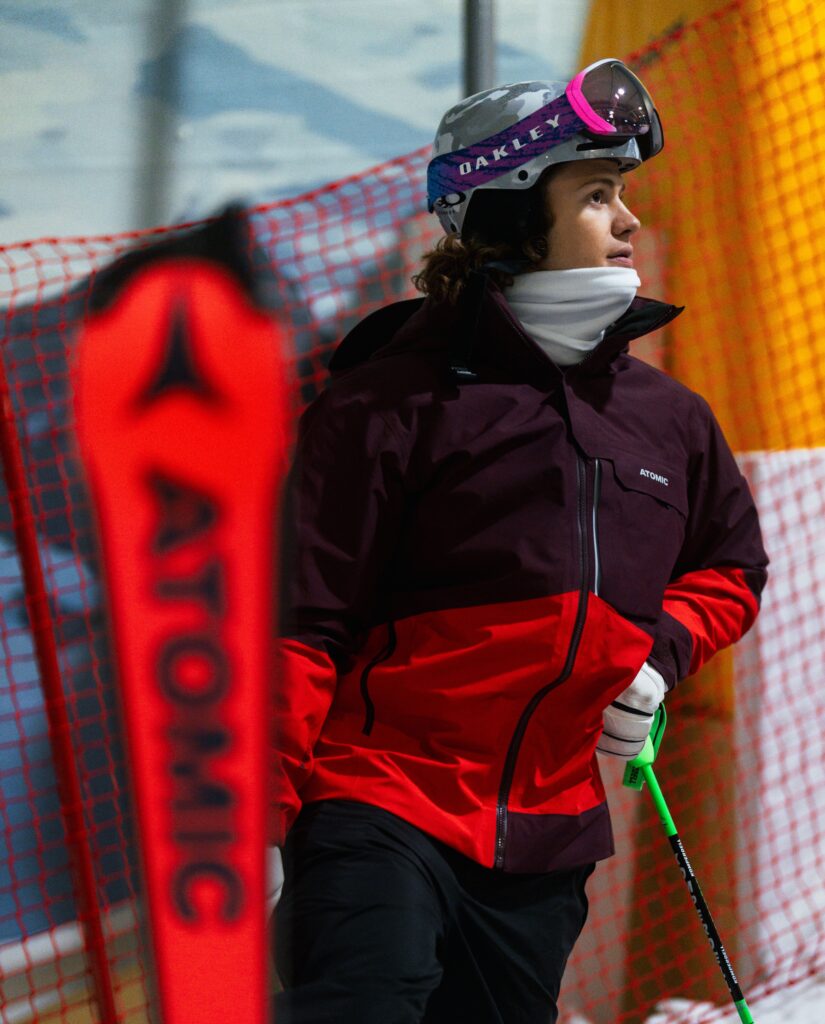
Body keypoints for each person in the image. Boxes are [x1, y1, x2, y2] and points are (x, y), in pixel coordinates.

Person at [270, 58, 768, 1023]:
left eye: (620, 193)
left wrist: (658, 658)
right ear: (507, 216)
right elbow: (302, 625)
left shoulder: (667, 418)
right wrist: (255, 814)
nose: (628, 220)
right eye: (596, 194)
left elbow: (730, 566)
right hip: (379, 800)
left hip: (547, 836)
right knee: (367, 1002)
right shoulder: (386, 405)